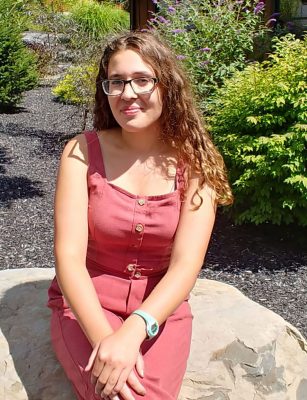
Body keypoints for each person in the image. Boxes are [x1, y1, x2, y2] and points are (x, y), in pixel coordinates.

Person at [47, 30, 233, 400]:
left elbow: (186, 264)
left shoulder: (196, 160)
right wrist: (107, 344)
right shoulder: (80, 153)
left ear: (167, 86)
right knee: (115, 394)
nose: (128, 93)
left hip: (159, 310)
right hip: (87, 305)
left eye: (142, 80)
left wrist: (134, 330)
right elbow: (68, 257)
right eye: (116, 82)